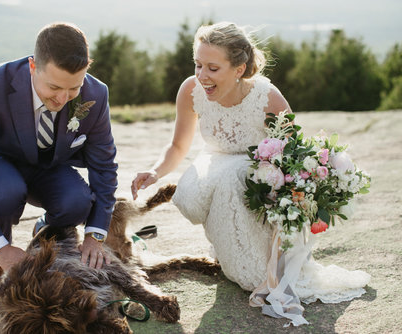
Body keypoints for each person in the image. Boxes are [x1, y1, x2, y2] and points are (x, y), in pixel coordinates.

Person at [130, 22, 370, 325]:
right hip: (215, 159)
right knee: (188, 196)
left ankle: (254, 267)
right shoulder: (191, 89)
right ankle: (226, 249)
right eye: (198, 64)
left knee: (233, 179)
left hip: (257, 170)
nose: (202, 75)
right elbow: (178, 145)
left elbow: (295, 158)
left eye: (213, 68)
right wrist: (154, 171)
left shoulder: (268, 98)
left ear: (239, 69)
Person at [0, 22, 118, 290]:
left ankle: (46, 230)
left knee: (78, 201)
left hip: (47, 166)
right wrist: (0, 248)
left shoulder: (96, 94)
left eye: (73, 89)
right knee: (6, 191)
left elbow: (104, 165)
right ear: (33, 66)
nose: (62, 99)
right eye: (54, 87)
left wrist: (95, 235)